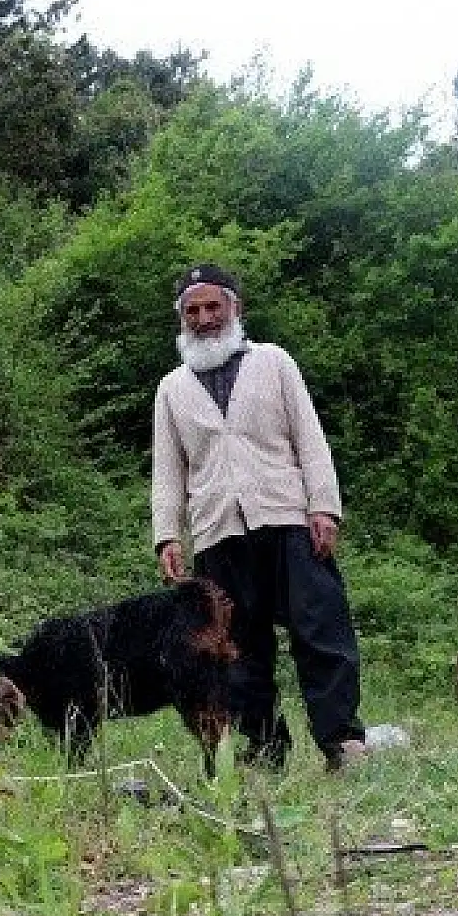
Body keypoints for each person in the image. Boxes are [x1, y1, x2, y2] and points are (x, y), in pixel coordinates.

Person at [150, 263, 368, 771]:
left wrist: (323, 507)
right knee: (236, 649)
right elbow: (167, 470)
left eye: (213, 307)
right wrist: (167, 536)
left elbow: (310, 439)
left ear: (234, 309)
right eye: (193, 310)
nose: (204, 318)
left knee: (320, 631)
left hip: (288, 516)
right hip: (217, 531)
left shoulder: (273, 362)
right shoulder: (171, 388)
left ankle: (342, 741)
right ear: (182, 318)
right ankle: (264, 747)